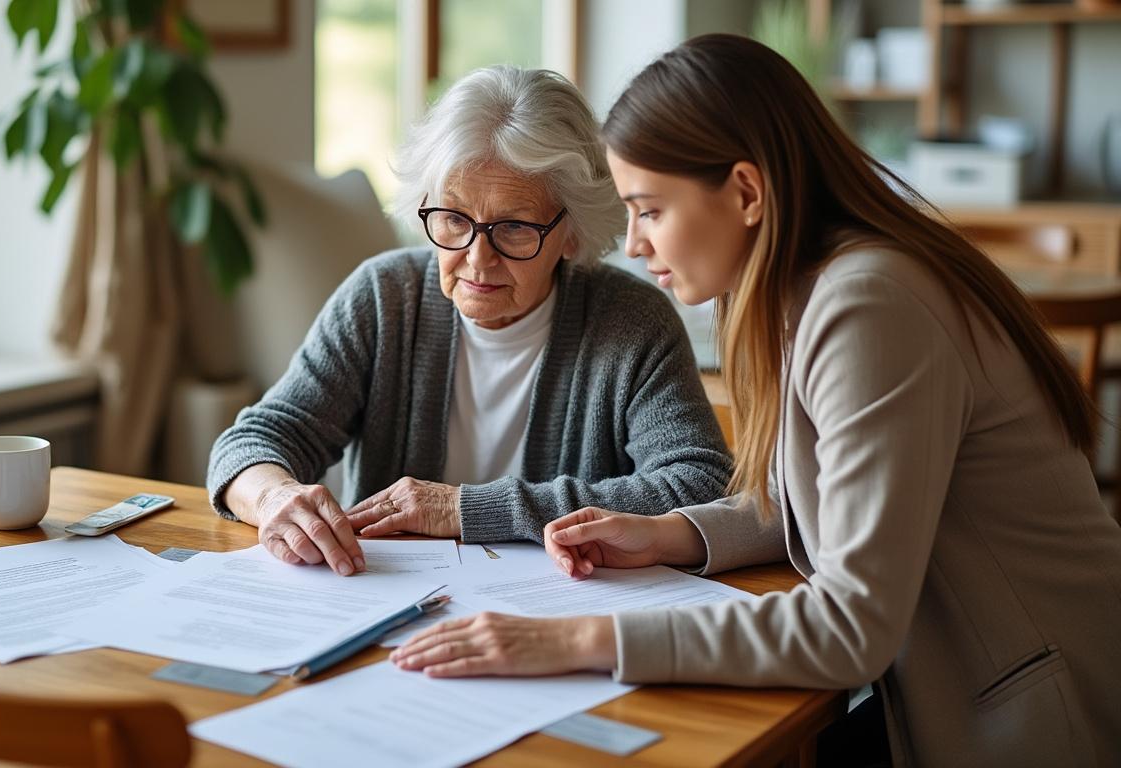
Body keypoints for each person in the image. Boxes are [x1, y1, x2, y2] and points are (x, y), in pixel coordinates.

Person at [390, 35, 1121, 767]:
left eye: (649, 210)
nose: (634, 245)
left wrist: (579, 639)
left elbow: (847, 627)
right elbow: (813, 498)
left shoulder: (869, 304)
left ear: (746, 192)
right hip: (952, 696)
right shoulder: (810, 290)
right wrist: (673, 533)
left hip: (1044, 718)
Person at [207, 65, 732, 578]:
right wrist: (275, 495)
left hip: (558, 612)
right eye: (454, 219)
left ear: (572, 233)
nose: (478, 259)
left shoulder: (632, 323)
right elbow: (252, 443)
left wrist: (465, 508)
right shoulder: (384, 297)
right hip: (385, 600)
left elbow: (700, 483)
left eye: (515, 228)